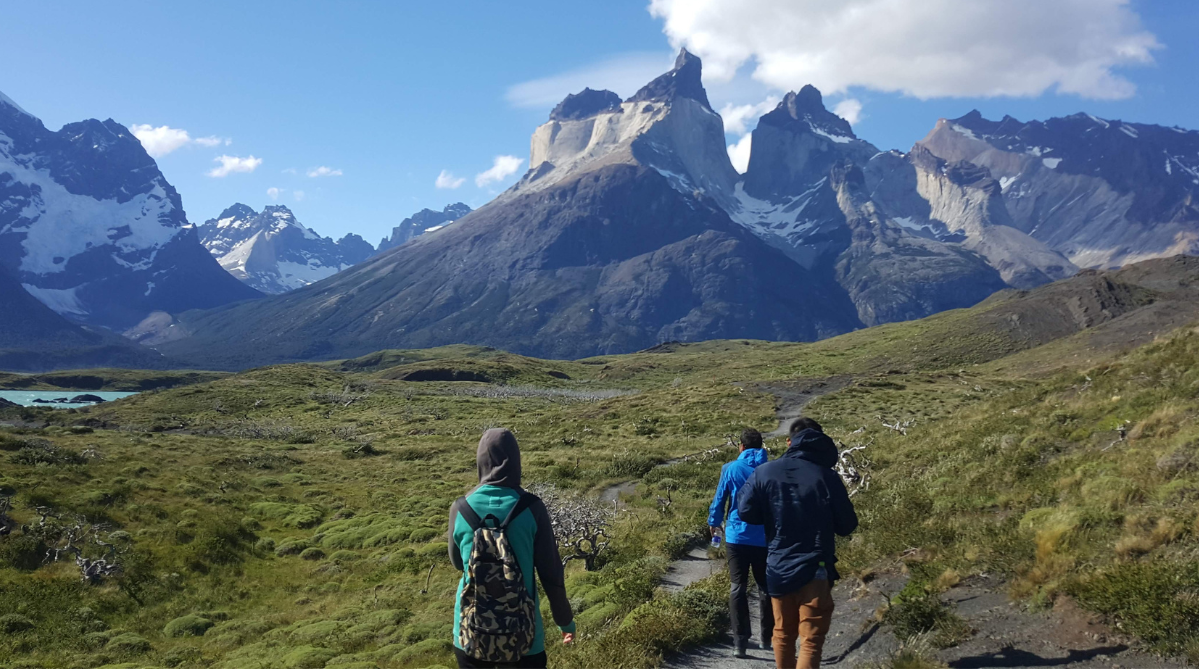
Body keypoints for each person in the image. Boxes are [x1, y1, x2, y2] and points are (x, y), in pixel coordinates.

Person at [448, 428, 576, 668]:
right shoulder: (532, 508)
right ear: (516, 461)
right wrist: (565, 622)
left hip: (469, 634)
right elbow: (551, 575)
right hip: (524, 639)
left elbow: (458, 564)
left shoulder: (460, 508)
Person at [736, 418, 858, 669]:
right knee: (811, 640)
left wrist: (771, 517)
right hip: (816, 565)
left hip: (778, 565)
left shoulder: (765, 472)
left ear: (790, 441)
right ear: (820, 441)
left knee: (782, 633)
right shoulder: (827, 477)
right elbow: (847, 525)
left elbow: (745, 511)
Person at [708, 427, 774, 657]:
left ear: (741, 447)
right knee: (766, 586)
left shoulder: (730, 468)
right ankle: (767, 637)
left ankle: (740, 642)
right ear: (761, 446)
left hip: (736, 536)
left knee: (738, 587)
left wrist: (714, 522)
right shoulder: (770, 470)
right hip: (764, 538)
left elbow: (720, 499)